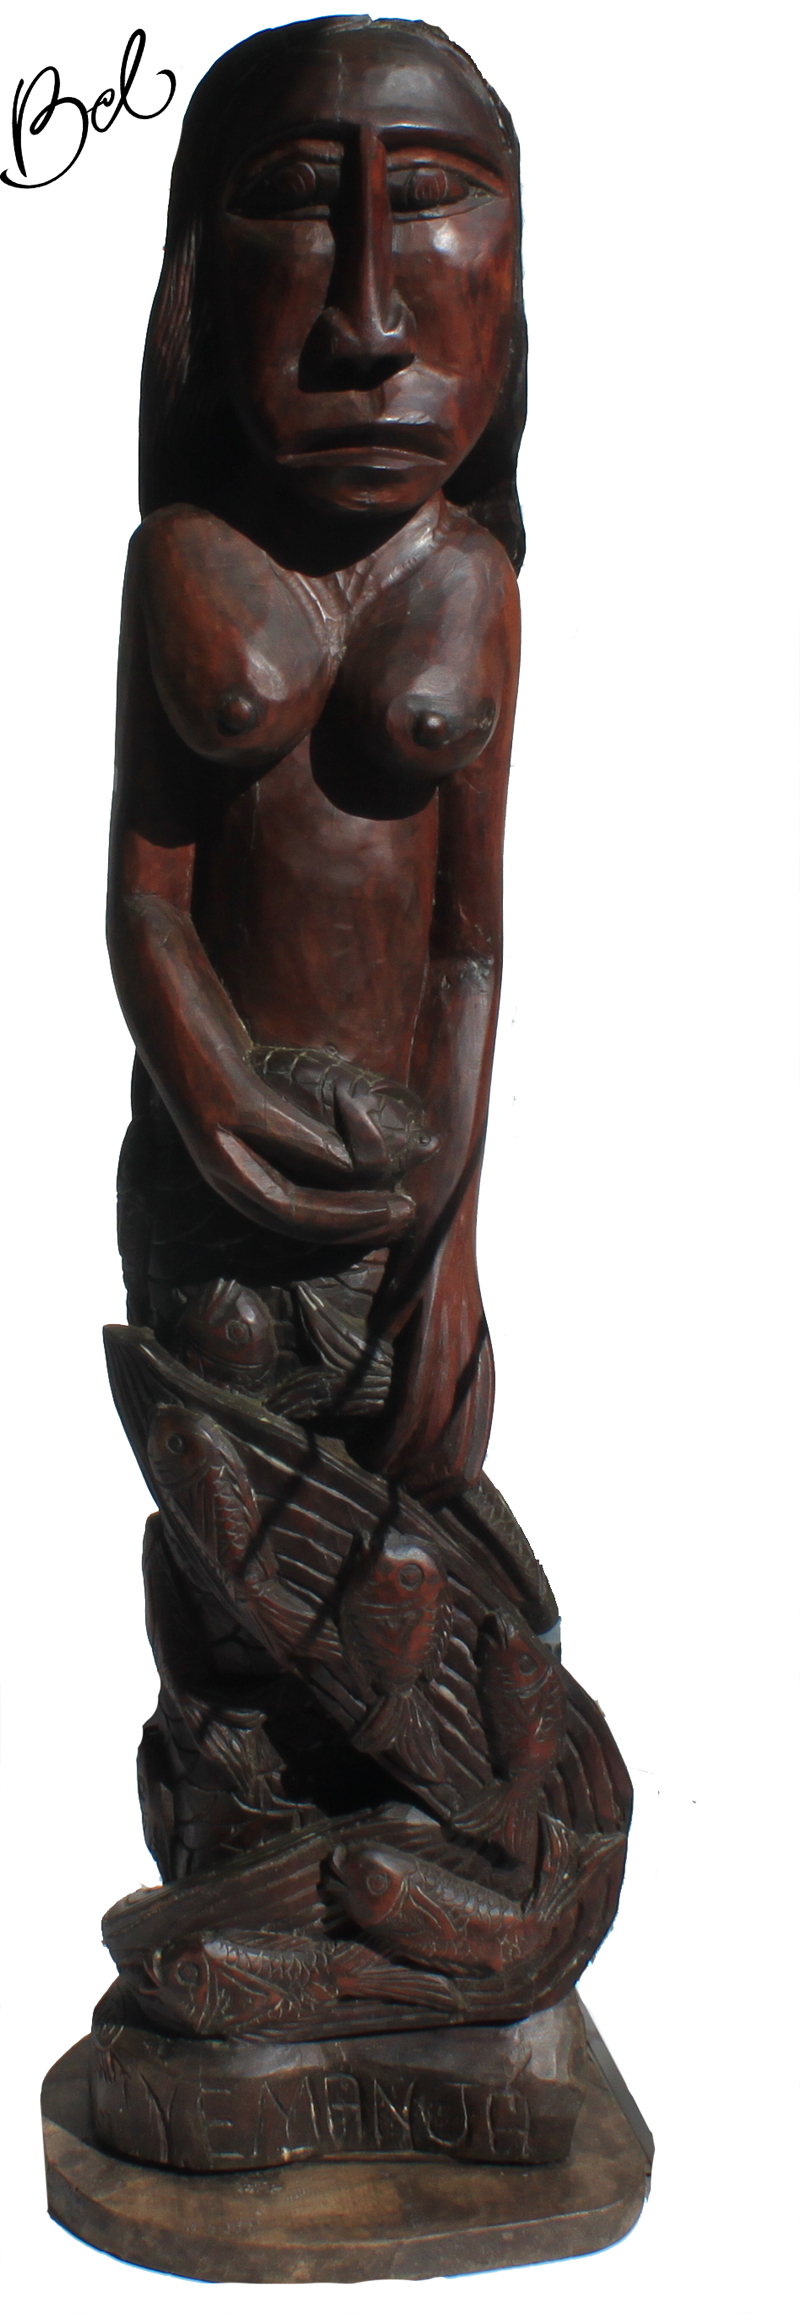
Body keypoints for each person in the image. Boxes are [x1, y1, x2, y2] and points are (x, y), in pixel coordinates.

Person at [108, 16, 527, 1503]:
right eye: (293, 199)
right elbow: (145, 897)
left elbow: (469, 949)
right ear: (199, 282)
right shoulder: (182, 561)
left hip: (396, 1185)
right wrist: (208, 1082)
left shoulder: (474, 583)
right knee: (222, 1519)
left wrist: (452, 1243)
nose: (368, 320)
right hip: (208, 1173)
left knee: (400, 1521)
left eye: (426, 200)